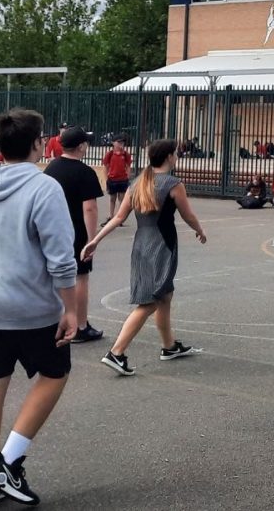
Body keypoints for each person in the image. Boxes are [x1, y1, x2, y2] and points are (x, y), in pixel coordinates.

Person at [0, 107, 77, 508]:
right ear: (36, 144)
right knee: (54, 372)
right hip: (30, 304)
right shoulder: (44, 188)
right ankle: (5, 463)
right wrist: (71, 308)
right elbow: (61, 258)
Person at [84, 138, 207, 376]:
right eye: (175, 154)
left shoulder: (138, 182)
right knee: (150, 301)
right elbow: (188, 215)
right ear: (169, 157)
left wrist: (96, 240)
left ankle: (169, 346)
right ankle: (116, 352)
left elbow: (118, 218)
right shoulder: (173, 184)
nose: (177, 157)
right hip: (162, 245)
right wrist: (199, 230)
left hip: (142, 243)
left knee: (165, 294)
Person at [44, 126, 106, 345]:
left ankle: (57, 322)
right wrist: (92, 240)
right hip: (76, 230)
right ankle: (80, 325)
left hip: (53, 228)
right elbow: (89, 208)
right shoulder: (84, 172)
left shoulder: (51, 168)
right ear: (81, 146)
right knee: (80, 277)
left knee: (56, 276)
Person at [101, 136, 132, 223]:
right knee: (112, 198)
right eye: (118, 142)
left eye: (122, 143)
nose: (121, 144)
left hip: (122, 180)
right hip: (112, 180)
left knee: (121, 199)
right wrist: (107, 178)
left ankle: (120, 217)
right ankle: (111, 216)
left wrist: (127, 177)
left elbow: (128, 167)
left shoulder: (125, 155)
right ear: (113, 143)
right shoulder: (110, 154)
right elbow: (106, 167)